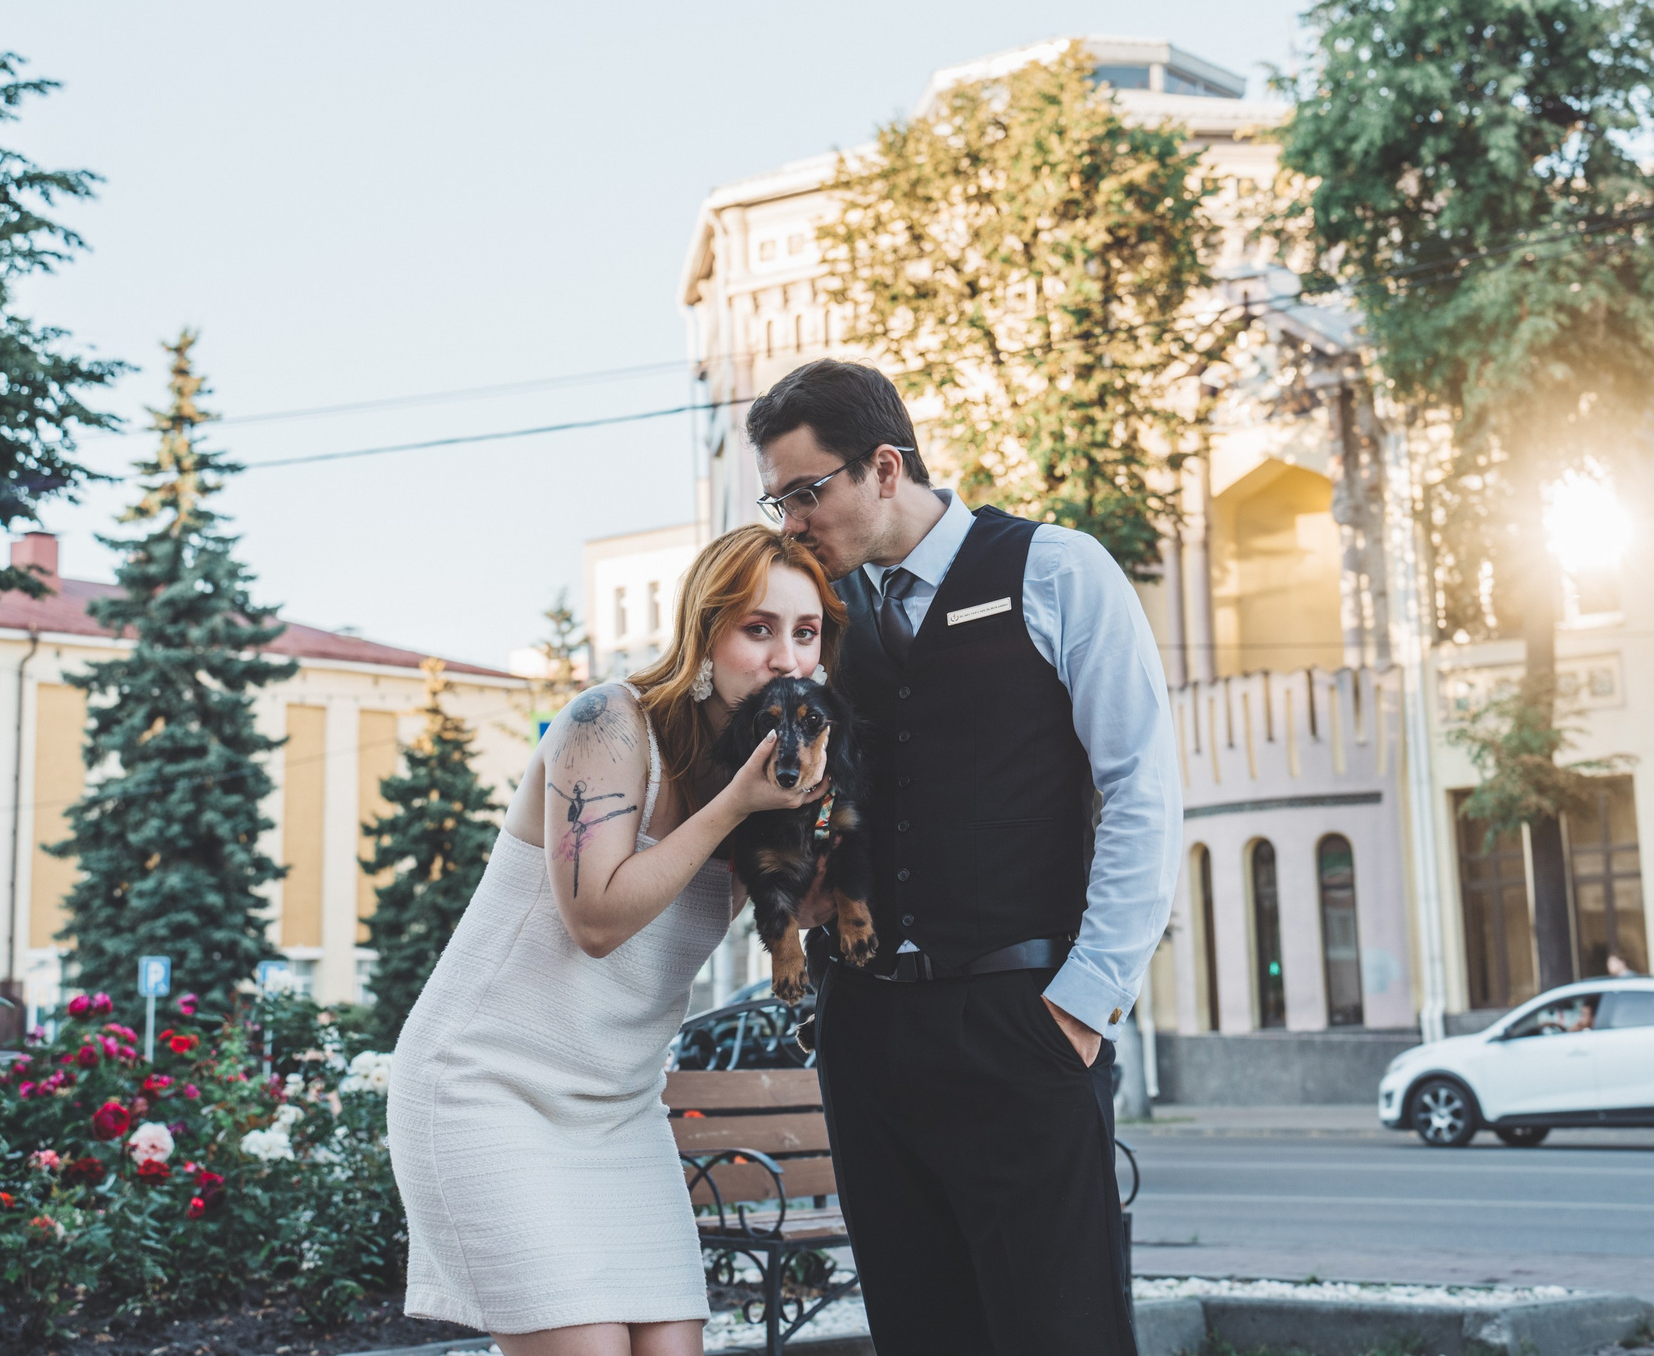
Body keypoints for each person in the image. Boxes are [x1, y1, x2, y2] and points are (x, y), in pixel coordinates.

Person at [746, 358, 1181, 1356]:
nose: (791, 522)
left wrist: (1082, 1005)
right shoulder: (820, 624)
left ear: (885, 468)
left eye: (806, 492)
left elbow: (1141, 791)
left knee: (1057, 1330)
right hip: (865, 1034)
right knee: (918, 1329)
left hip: (1018, 1021)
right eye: (779, 499)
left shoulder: (1058, 570)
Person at [387, 527, 840, 1356]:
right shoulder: (608, 724)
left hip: (620, 1111)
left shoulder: (762, 781)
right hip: (486, 1088)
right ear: (706, 635)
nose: (785, 658)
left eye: (805, 633)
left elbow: (814, 915)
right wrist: (736, 807)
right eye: (758, 628)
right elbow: (595, 919)